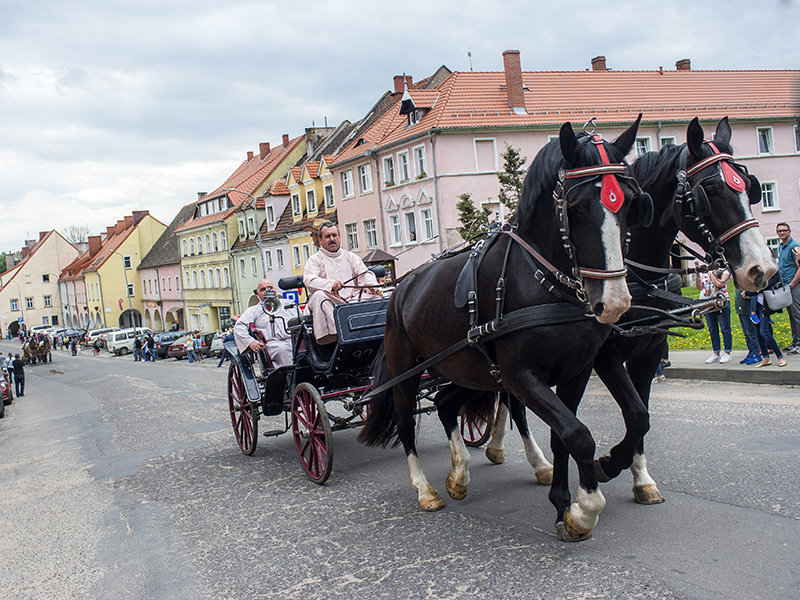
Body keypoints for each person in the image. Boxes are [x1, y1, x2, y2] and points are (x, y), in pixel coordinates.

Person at [303, 222, 381, 344]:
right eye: (327, 236)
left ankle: (378, 332)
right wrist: (331, 285)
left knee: (376, 296)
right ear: (320, 240)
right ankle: (335, 336)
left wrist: (371, 285)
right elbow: (309, 280)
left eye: (334, 235)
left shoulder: (351, 257)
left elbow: (365, 274)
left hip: (352, 299)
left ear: (339, 237)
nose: (332, 239)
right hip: (331, 300)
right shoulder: (314, 260)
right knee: (319, 296)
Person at [233, 279, 294, 368]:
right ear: (258, 294)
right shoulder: (253, 310)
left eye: (270, 288)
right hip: (274, 344)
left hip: (293, 339)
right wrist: (250, 342)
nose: (268, 291)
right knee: (283, 349)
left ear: (275, 290)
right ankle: (291, 374)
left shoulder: (288, 303)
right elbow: (239, 326)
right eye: (263, 289)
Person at [744, 273, 788, 368]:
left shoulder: (770, 270)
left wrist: (751, 292)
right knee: (758, 333)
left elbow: (767, 285)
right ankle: (766, 357)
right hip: (754, 305)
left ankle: (780, 357)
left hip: (764, 304)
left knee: (764, 332)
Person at [695, 266, 732, 364]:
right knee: (712, 329)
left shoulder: (724, 271)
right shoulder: (705, 273)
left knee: (725, 328)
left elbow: (719, 284)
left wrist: (711, 274)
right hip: (708, 303)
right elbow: (699, 287)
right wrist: (698, 275)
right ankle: (716, 352)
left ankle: (727, 352)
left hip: (721, 302)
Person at [776, 223, 800, 353]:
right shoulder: (781, 246)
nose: (782, 233)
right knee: (791, 315)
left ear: (789, 231)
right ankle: (795, 342)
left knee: (797, 314)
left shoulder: (794, 247)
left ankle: (799, 344)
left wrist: (792, 284)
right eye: (779, 231)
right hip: (785, 285)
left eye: (784, 230)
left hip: (794, 285)